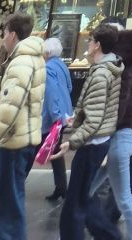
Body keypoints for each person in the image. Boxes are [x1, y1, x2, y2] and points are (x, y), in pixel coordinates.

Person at [0, 11, 45, 240]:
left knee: (8, 209)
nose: (2, 38)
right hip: (15, 142)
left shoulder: (21, 63)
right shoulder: (32, 59)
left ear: (13, 34)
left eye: (4, 33)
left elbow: (8, 112)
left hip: (14, 145)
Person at [56, 25, 123, 240]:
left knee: (75, 204)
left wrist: (72, 140)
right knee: (84, 197)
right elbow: (96, 110)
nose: (88, 44)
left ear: (98, 45)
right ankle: (109, 235)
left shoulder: (101, 74)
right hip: (97, 141)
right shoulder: (107, 69)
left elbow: (94, 119)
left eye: (91, 40)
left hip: (92, 144)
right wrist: (76, 119)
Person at [84, 29, 132, 240]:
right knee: (86, 190)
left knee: (123, 198)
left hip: (116, 138)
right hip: (121, 138)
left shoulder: (124, 73)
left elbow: (117, 111)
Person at [42, 35, 73, 203]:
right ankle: (61, 187)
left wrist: (55, 115)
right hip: (64, 113)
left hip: (51, 117)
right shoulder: (62, 66)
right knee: (55, 150)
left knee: (33, 149)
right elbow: (69, 87)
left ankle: (14, 185)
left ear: (47, 52)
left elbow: (51, 93)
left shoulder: (47, 68)